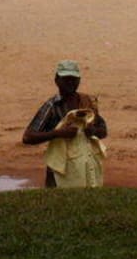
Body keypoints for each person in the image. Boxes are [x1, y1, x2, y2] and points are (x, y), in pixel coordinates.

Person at [22, 60, 108, 188]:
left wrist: (93, 131)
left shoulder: (88, 102)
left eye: (74, 79)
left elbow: (103, 130)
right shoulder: (52, 106)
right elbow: (28, 137)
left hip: (87, 166)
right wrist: (58, 133)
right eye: (66, 79)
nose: (70, 83)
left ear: (79, 80)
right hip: (59, 167)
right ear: (57, 80)